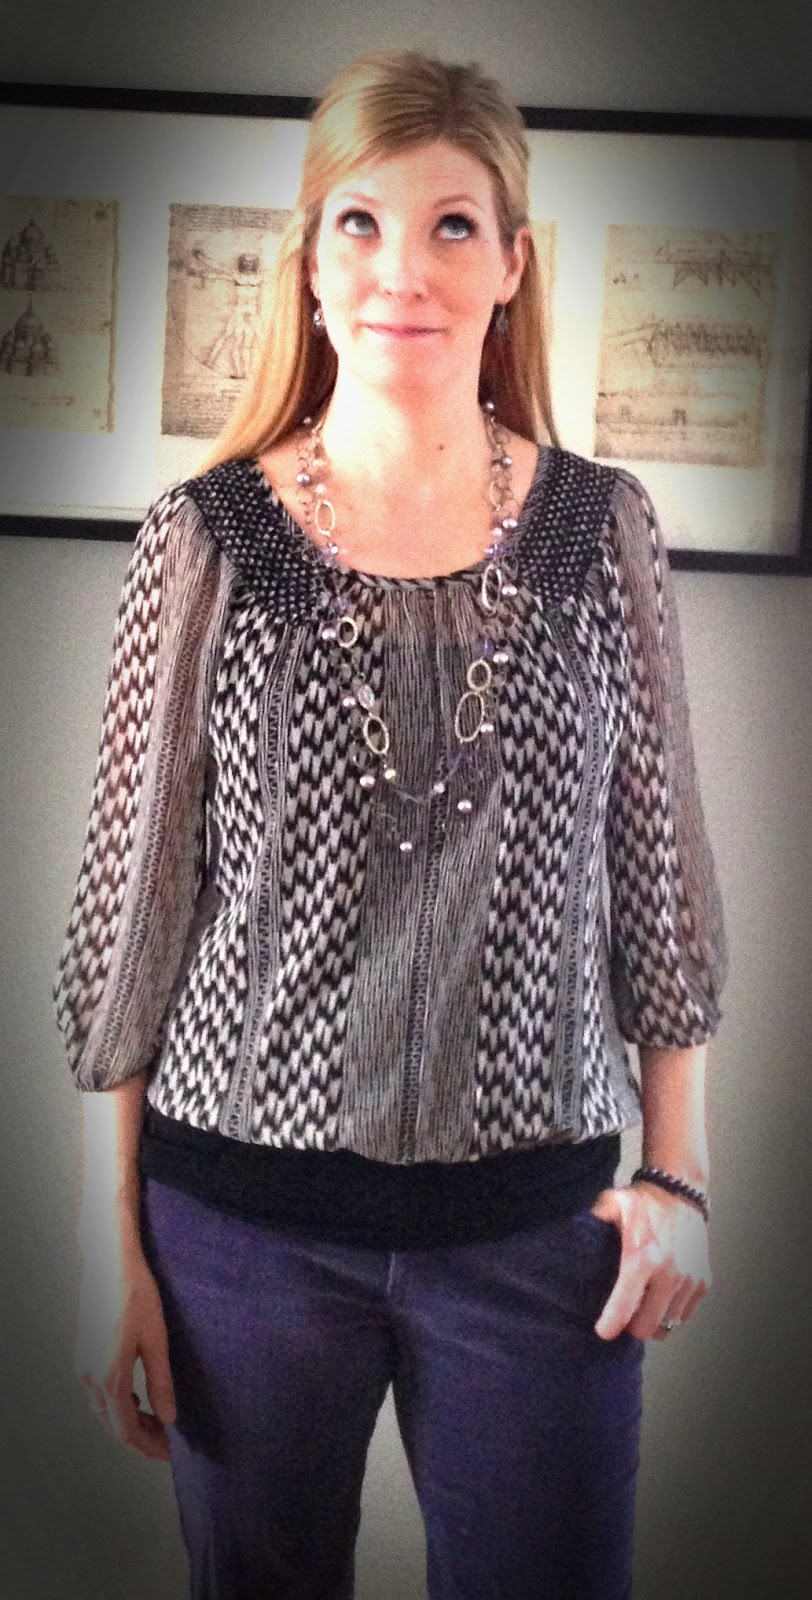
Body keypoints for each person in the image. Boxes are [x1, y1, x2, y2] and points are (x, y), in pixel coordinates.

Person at [54, 48, 729, 1600]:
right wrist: (115, 1248)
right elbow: (130, 921)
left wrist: (682, 1178)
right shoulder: (207, 542)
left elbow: (661, 879)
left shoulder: (600, 532)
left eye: (450, 226)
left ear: (512, 265)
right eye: (359, 223)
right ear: (308, 259)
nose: (400, 271)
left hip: (542, 1236)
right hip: (236, 1236)